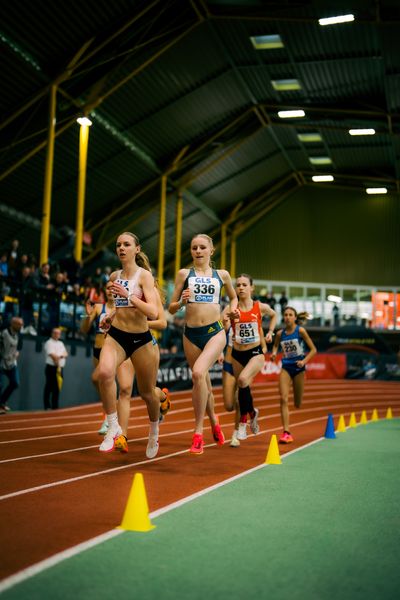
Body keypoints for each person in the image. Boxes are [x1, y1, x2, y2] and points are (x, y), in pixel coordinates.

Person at [169, 233, 238, 454]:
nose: (197, 251)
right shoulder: (183, 274)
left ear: (211, 250)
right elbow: (170, 308)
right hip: (190, 334)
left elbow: (234, 297)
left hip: (214, 332)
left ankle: (198, 433)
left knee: (198, 374)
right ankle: (214, 421)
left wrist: (232, 309)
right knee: (204, 384)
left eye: (202, 247)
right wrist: (181, 302)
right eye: (194, 248)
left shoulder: (222, 275)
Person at [96, 232, 161, 458]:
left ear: (137, 249)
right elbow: (119, 307)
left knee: (147, 393)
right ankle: (113, 426)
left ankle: (154, 432)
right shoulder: (114, 276)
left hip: (141, 339)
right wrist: (110, 316)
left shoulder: (145, 277)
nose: (121, 248)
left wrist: (130, 296)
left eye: (126, 244)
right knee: (104, 372)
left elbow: (153, 312)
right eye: (118, 245)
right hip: (117, 336)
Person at [229, 274, 277, 445]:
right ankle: (252, 413)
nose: (241, 287)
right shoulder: (232, 308)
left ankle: (243, 422)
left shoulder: (259, 306)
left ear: (252, 287)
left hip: (255, 352)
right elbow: (223, 323)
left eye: (244, 285)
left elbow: (274, 315)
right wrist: (229, 319)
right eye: (238, 285)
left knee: (242, 380)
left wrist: (270, 332)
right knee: (243, 386)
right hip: (237, 353)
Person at [271, 306, 317, 444]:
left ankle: (299, 395)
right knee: (283, 398)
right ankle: (286, 432)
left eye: (290, 315)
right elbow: (275, 345)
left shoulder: (300, 331)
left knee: (297, 403)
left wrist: (303, 362)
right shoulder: (280, 333)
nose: (287, 317)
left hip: (298, 368)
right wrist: (274, 353)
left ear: (295, 317)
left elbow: (314, 350)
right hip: (286, 367)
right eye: (285, 315)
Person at [0, 316, 23, 413]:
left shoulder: (19, 335)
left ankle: (2, 402)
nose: (20, 326)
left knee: (15, 383)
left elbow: (19, 348)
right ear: (12, 324)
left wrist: (16, 354)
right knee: (0, 385)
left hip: (12, 363)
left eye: (21, 324)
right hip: (1, 362)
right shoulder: (3, 333)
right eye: (19, 324)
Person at [43, 327, 68, 410]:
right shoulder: (49, 343)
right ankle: (47, 406)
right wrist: (60, 357)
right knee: (49, 387)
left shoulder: (61, 343)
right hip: (51, 368)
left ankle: (55, 407)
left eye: (58, 333)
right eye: (55, 333)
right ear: (52, 333)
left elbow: (66, 354)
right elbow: (53, 356)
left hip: (59, 369)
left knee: (57, 388)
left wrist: (60, 356)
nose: (57, 335)